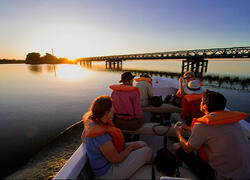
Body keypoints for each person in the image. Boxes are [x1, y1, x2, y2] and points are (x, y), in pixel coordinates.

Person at [172, 90, 250, 180]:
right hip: (246, 174)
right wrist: (188, 128)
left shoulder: (201, 126)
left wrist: (178, 133)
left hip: (222, 177)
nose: (200, 102)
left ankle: (177, 172)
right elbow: (213, 132)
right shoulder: (233, 121)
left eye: (201, 101)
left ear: (204, 107)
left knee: (177, 147)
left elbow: (188, 149)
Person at [81, 95, 153, 179]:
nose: (114, 110)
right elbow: (116, 159)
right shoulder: (101, 136)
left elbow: (83, 139)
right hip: (107, 173)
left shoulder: (93, 123)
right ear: (106, 112)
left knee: (142, 143)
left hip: (109, 160)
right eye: (112, 108)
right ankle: (150, 169)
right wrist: (131, 148)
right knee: (147, 151)